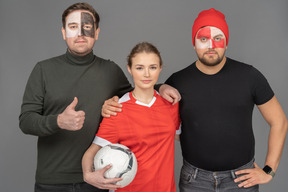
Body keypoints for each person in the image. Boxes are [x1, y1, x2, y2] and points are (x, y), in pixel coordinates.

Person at [102, 8, 288, 192]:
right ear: (194, 43)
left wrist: (269, 170)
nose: (211, 46)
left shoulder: (249, 76)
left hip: (240, 180)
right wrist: (155, 88)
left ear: (226, 42)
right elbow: (146, 101)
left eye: (217, 38)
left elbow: (279, 121)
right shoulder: (177, 82)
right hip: (195, 181)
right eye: (203, 39)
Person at [19, 2, 133, 192]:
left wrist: (162, 88)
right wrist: (58, 121)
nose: (80, 33)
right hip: (52, 181)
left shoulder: (110, 71)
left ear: (97, 33)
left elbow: (137, 98)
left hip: (96, 178)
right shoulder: (43, 70)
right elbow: (26, 121)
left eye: (87, 27)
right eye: (73, 27)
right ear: (64, 33)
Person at [82, 42, 181, 192]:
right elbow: (91, 152)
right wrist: (88, 175)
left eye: (152, 67)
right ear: (129, 69)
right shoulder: (117, 109)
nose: (147, 74)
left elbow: (181, 137)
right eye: (139, 68)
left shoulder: (170, 104)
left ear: (160, 68)